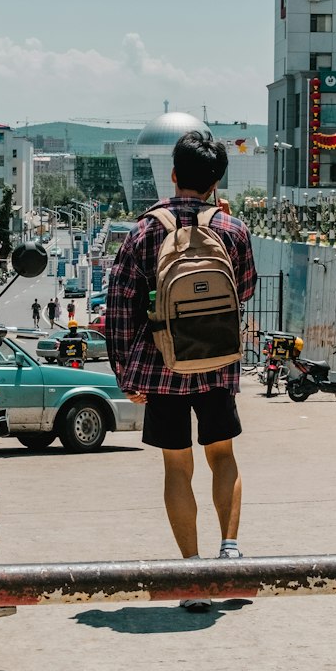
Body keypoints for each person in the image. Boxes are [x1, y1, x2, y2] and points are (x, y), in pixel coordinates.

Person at [107, 130, 256, 612]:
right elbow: (246, 290)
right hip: (215, 362)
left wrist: (126, 373)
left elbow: (121, 306)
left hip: (161, 365)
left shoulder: (146, 230)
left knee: (177, 466)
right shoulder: (232, 230)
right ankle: (229, 555)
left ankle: (191, 575)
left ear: (173, 175)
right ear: (216, 182)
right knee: (223, 456)